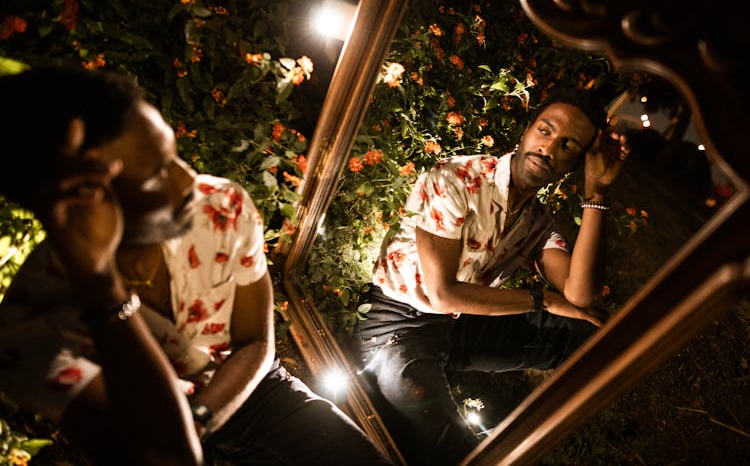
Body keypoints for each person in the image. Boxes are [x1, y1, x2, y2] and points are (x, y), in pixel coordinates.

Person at [0, 65, 392, 465]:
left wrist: (200, 419)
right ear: (81, 198)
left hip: (253, 392)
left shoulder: (221, 207)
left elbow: (256, 342)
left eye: (174, 155)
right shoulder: (33, 328)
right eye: (156, 176)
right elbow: (164, 454)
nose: (187, 181)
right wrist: (100, 283)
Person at [354, 88, 630, 464]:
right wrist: (543, 300)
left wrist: (596, 191)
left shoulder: (536, 220)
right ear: (527, 130)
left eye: (568, 146)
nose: (548, 149)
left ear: (575, 163)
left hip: (458, 326)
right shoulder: (456, 178)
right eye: (545, 131)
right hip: (396, 324)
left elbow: (582, 295)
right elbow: (442, 294)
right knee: (459, 452)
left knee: (587, 335)